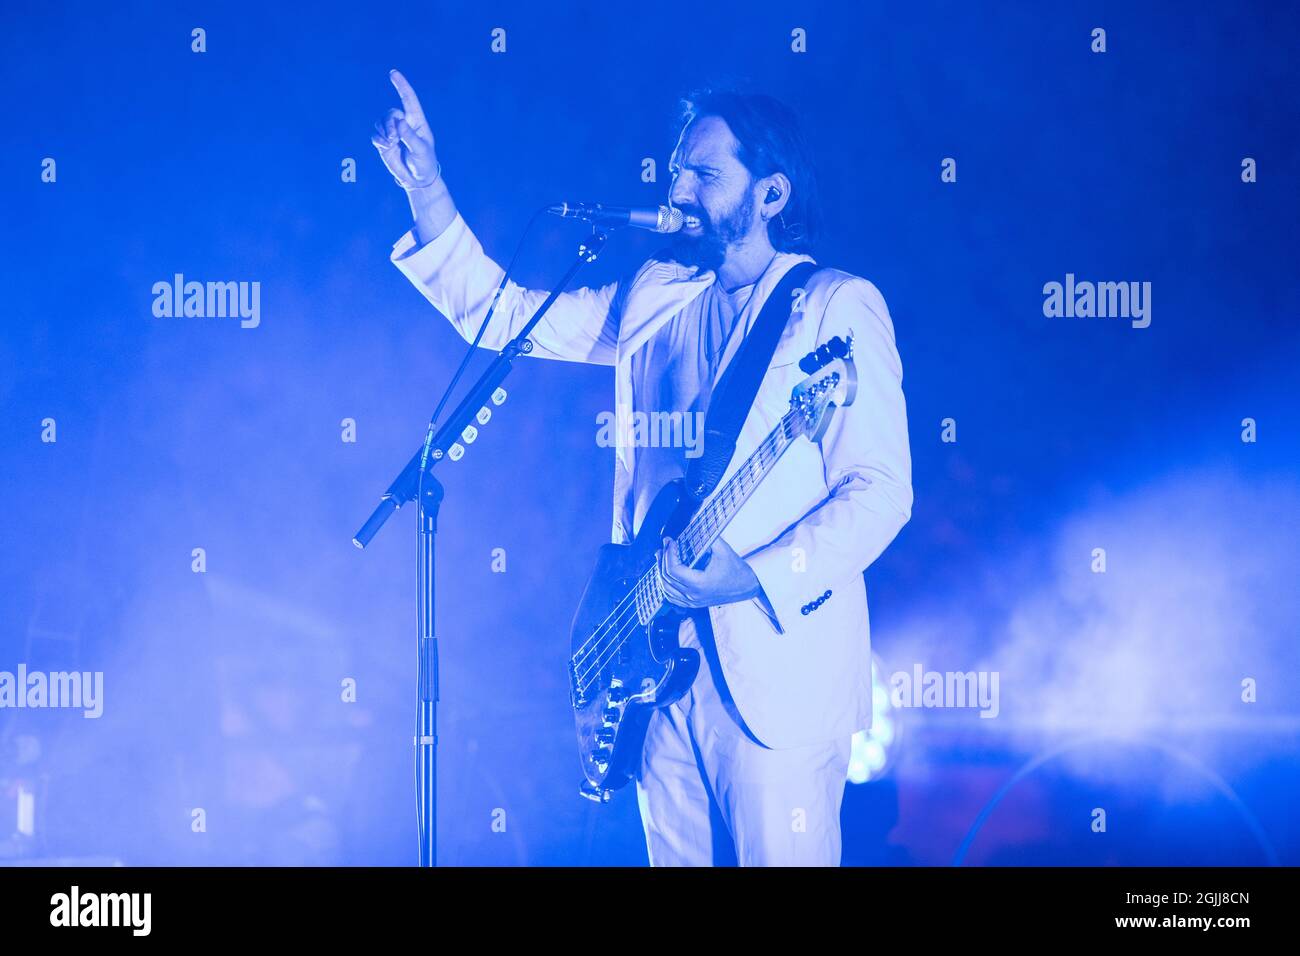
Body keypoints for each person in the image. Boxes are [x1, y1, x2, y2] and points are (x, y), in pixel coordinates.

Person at [372, 70, 912, 866]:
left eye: (705, 172)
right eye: (675, 167)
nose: (678, 184)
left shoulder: (834, 304)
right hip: (654, 672)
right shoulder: (658, 294)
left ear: (770, 193)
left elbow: (881, 492)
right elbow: (507, 319)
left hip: (776, 673)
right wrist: (429, 194)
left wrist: (756, 574)